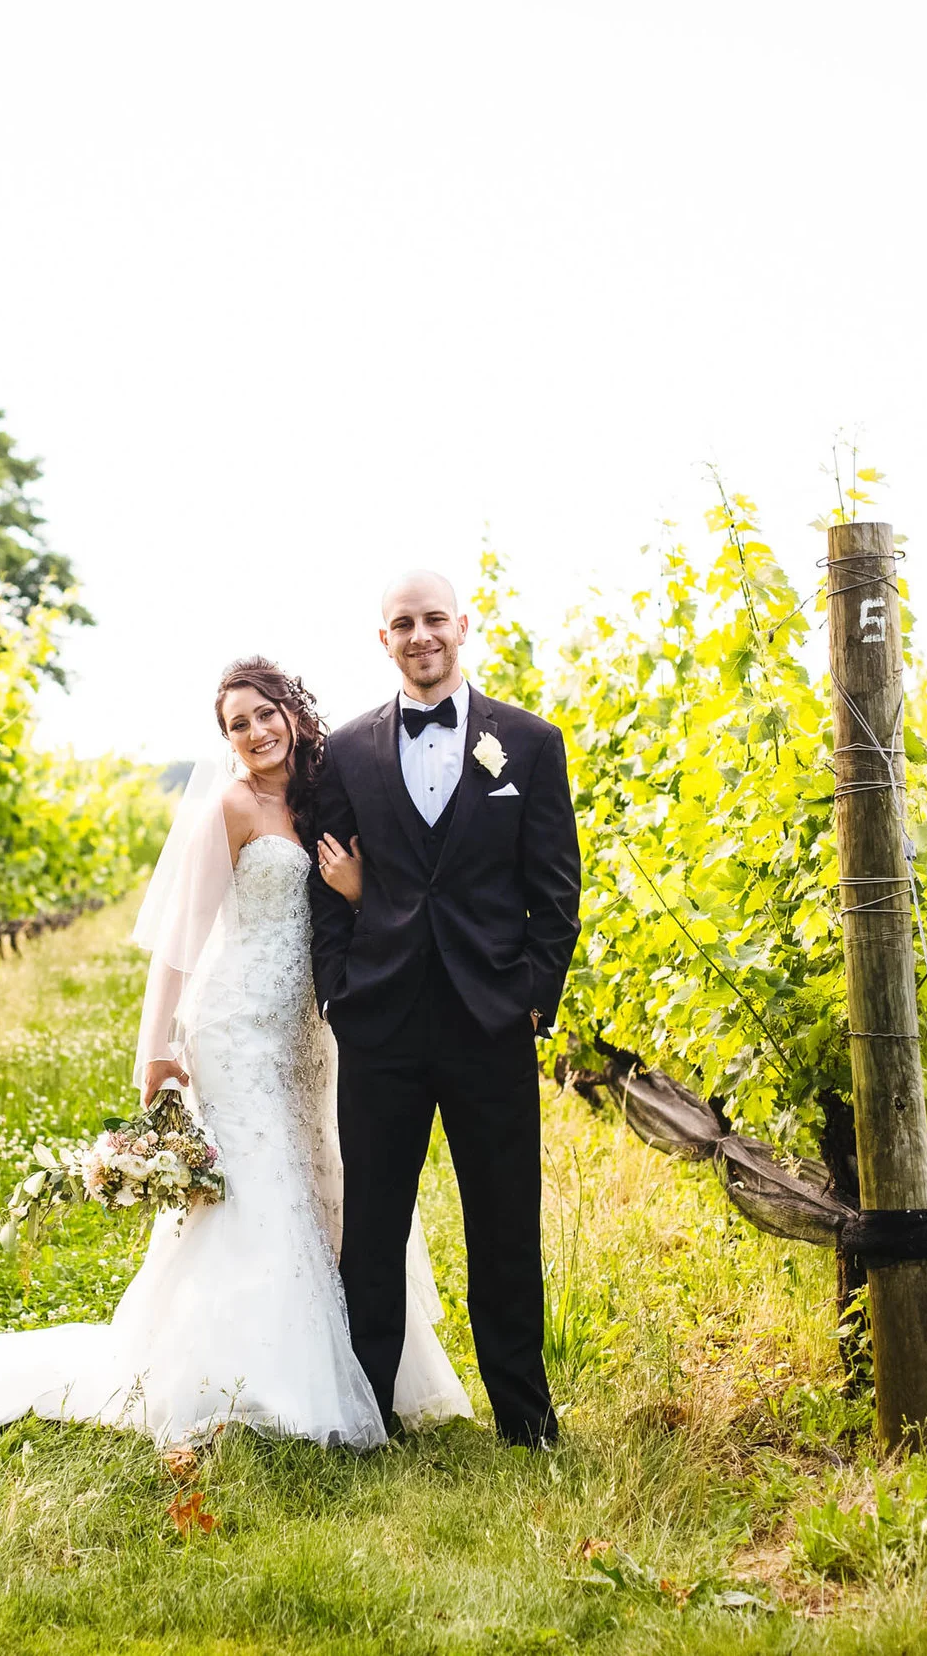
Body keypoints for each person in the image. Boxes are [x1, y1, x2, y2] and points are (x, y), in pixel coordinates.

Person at [0, 658, 470, 1448]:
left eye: (266, 714)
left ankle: (356, 1368)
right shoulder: (228, 808)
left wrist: (362, 890)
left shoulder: (321, 798)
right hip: (235, 1028)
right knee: (257, 1196)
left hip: (310, 1031)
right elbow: (177, 944)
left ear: (291, 713)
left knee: (321, 1184)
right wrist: (154, 1043)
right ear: (226, 739)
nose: (257, 732)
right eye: (238, 724)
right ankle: (250, 1384)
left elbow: (360, 911)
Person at [309, 571, 582, 1447]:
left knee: (505, 1223)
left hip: (489, 1024)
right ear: (380, 638)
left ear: (463, 626)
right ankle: (368, 1415)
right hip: (381, 1024)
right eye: (402, 623)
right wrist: (338, 992)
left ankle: (525, 1420)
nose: (420, 635)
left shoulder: (531, 744)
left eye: (434, 619)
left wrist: (529, 1004)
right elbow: (324, 891)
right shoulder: (344, 753)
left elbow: (557, 894)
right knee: (375, 1227)